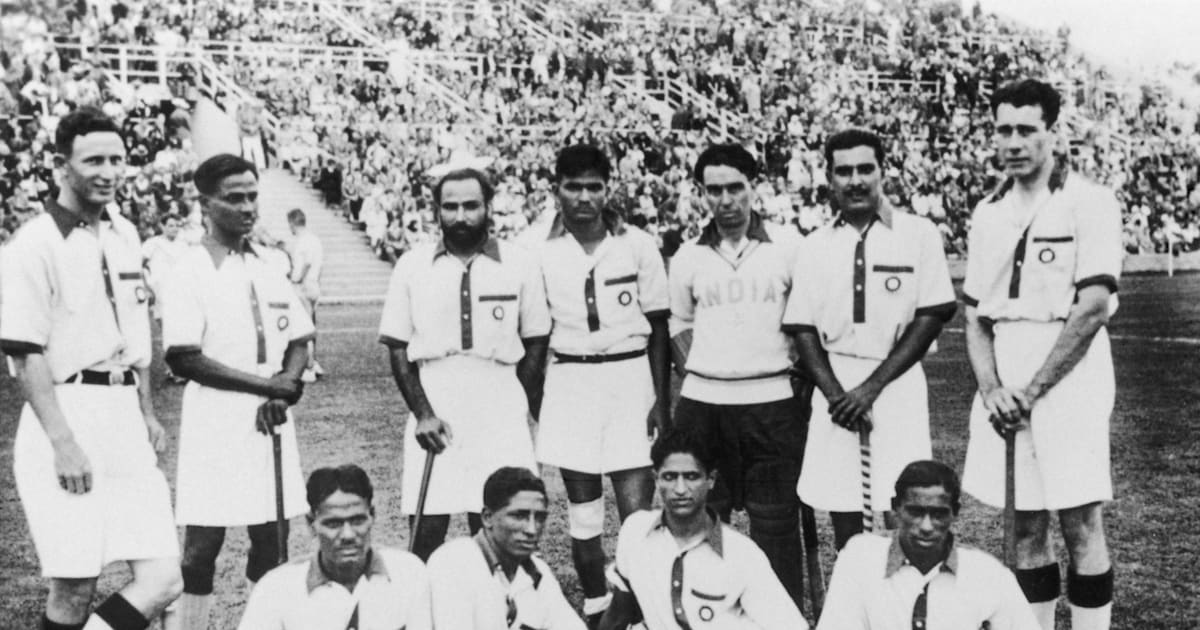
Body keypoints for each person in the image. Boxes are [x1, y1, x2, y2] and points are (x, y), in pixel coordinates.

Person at [1, 106, 182, 630]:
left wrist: (146, 413)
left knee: (164, 579)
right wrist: (63, 443)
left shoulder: (125, 235)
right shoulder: (33, 245)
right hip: (67, 411)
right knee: (75, 588)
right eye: (94, 161)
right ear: (62, 166)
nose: (108, 172)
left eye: (116, 160)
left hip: (123, 414)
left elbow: (135, 341)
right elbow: (25, 352)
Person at [960, 79, 1122, 630]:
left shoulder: (1089, 202)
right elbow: (975, 316)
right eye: (1003, 130)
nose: (1013, 142)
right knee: (1024, 525)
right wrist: (991, 391)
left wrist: (1030, 392)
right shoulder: (987, 212)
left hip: (1069, 378)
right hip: (1004, 380)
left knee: (1080, 521)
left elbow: (1092, 309)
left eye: (1026, 130)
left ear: (1053, 132)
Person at [161, 154, 315, 630]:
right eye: (235, 198)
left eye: (252, 196)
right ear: (205, 203)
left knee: (272, 540)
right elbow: (184, 358)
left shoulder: (269, 263)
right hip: (216, 418)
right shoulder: (186, 268)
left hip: (272, 417)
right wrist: (268, 385)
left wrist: (282, 391)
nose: (248, 207)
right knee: (201, 549)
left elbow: (299, 338)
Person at [783, 129, 957, 550]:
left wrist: (871, 388)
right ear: (829, 177)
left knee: (906, 499)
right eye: (844, 171)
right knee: (845, 503)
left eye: (865, 169)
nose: (855, 180)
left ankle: (903, 583)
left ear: (883, 171)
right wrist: (836, 395)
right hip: (836, 388)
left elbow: (932, 315)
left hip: (896, 382)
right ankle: (855, 580)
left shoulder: (919, 234)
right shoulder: (815, 245)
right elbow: (803, 327)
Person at [378, 168, 552, 561]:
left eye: (471, 206)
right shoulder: (412, 265)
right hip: (437, 397)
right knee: (426, 531)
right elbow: (397, 347)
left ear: (488, 206)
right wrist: (423, 413)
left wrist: (515, 396)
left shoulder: (520, 263)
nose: (460, 216)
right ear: (436, 210)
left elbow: (536, 338)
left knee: (500, 526)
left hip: (499, 395)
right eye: (450, 207)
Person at [531, 144, 671, 625]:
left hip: (630, 378)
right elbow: (534, 336)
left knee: (637, 516)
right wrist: (541, 399)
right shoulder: (537, 248)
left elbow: (659, 327)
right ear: (556, 190)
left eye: (594, 186)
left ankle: (639, 610)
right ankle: (595, 604)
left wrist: (661, 400)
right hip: (571, 380)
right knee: (584, 513)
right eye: (573, 187)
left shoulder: (637, 244)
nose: (584, 197)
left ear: (608, 188)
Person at [667, 143, 807, 606]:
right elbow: (679, 323)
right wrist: (705, 367)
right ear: (701, 193)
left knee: (776, 521)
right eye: (714, 190)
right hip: (704, 405)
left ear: (754, 187)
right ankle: (710, 611)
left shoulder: (789, 247)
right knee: (705, 517)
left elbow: (806, 322)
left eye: (735, 188)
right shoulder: (687, 256)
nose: (725, 200)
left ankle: (780, 614)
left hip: (772, 402)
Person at [601, 429, 808, 630]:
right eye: (670, 477)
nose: (680, 489)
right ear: (656, 479)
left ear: (711, 479)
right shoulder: (635, 531)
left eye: (691, 477)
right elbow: (618, 614)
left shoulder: (742, 554)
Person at [816, 460, 1041, 630]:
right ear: (895, 507)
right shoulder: (859, 559)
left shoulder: (988, 574)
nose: (926, 526)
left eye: (938, 514)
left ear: (955, 512)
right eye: (915, 512)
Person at [238, 465, 432, 630]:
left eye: (357, 520)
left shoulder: (408, 573)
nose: (348, 535)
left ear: (372, 516)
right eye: (333, 524)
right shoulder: (275, 589)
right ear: (311, 523)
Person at [426, 467, 586, 630]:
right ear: (488, 518)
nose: (532, 529)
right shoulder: (453, 565)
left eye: (539, 518)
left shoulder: (538, 572)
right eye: (519, 516)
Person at [142, 212, 189, 383]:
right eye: (170, 225)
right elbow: (138, 262)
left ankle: (181, 370)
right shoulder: (152, 243)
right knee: (168, 331)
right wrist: (146, 285)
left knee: (182, 331)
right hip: (161, 294)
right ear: (162, 226)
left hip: (181, 293)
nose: (174, 229)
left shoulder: (183, 245)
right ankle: (173, 370)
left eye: (177, 225)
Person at [287, 208, 325, 381]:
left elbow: (307, 263)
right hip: (314, 284)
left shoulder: (302, 241)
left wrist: (298, 280)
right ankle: (313, 362)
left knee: (304, 328)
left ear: (292, 223)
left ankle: (308, 368)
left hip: (303, 284)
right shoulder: (315, 239)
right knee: (311, 324)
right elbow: (319, 265)